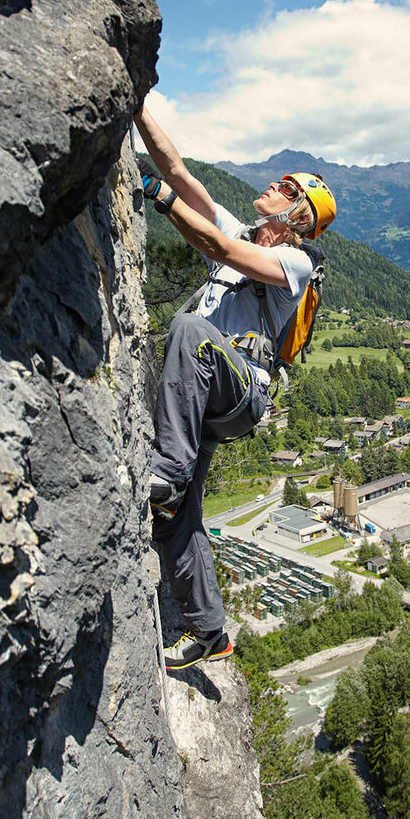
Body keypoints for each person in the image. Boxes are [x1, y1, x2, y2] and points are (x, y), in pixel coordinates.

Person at [133, 99, 337, 671]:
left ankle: (167, 472)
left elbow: (219, 249)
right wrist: (137, 104)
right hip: (208, 388)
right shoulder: (246, 228)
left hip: (242, 387)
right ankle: (209, 629)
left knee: (190, 327)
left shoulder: (297, 262)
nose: (272, 185)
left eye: (285, 186)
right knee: (176, 515)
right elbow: (178, 172)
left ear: (298, 215)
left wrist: (163, 201)